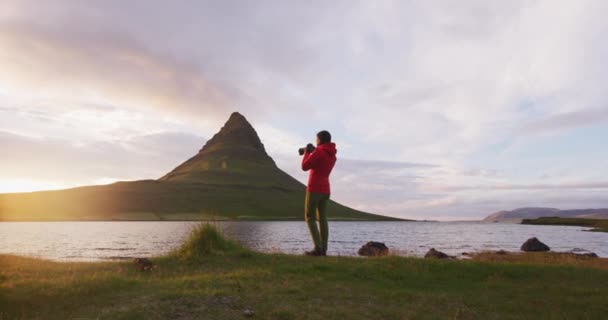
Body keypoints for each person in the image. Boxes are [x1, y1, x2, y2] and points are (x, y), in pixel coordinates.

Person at [301, 130, 337, 256]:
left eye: (316, 139)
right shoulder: (333, 156)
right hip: (326, 190)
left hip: (314, 188)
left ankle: (318, 248)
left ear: (320, 140)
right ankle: (324, 249)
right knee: (322, 219)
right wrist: (313, 151)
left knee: (309, 217)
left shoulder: (319, 152)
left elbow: (305, 166)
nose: (316, 141)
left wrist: (307, 153)